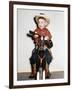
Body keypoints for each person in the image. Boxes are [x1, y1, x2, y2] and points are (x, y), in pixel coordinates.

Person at [29, 13, 53, 78]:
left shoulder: (47, 30)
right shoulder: (36, 30)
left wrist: (47, 37)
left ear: (45, 23)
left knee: (48, 56)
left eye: (42, 22)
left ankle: (47, 70)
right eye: (39, 22)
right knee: (33, 57)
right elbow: (34, 37)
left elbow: (50, 36)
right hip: (38, 47)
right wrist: (35, 36)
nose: (40, 24)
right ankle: (33, 71)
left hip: (45, 48)